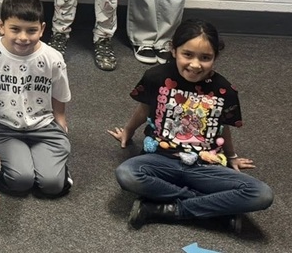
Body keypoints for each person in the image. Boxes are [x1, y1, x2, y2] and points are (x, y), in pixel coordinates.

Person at [109, 19, 273, 230]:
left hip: (205, 166)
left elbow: (223, 127)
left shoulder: (224, 90)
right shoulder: (156, 77)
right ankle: (212, 208)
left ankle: (169, 210)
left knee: (261, 194)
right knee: (127, 173)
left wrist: (231, 157)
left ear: (215, 57)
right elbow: (144, 109)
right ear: (174, 50)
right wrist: (128, 132)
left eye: (205, 58)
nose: (195, 65)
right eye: (188, 54)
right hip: (161, 159)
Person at [0, 0, 71, 196]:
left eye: (31, 30)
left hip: (44, 128)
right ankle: (23, 164)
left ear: (42, 29)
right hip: (4, 128)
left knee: (52, 185)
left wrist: (60, 120)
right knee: (21, 181)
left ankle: (58, 171)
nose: (23, 37)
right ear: (1, 26)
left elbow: (59, 93)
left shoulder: (53, 58)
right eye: (15, 29)